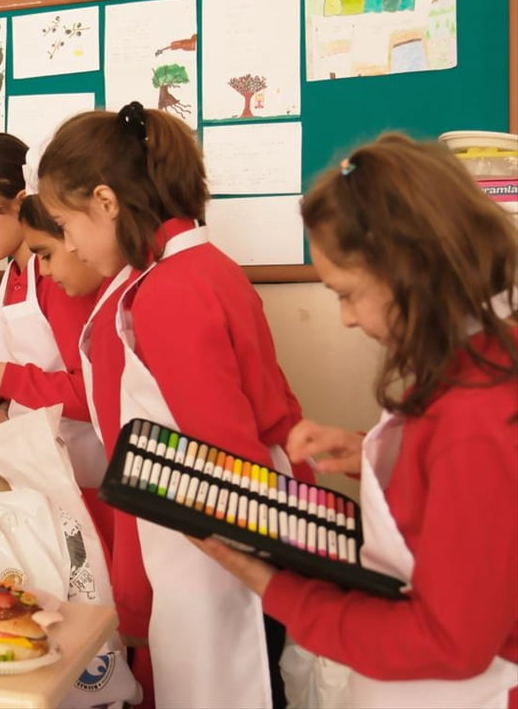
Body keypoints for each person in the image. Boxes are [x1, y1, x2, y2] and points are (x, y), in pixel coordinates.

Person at [199, 133, 518, 708]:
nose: (344, 318)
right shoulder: (477, 361)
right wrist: (369, 451)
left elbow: (451, 643)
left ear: (411, 272)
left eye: (347, 294)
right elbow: (455, 498)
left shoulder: (479, 418)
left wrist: (279, 590)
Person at [37, 102, 309, 708]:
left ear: (106, 203)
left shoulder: (169, 292)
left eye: (65, 223)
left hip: (221, 568)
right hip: (226, 555)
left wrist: (136, 595)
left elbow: (224, 456)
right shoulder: (199, 270)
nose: (71, 245)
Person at [0, 134, 107, 489]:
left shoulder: (61, 281)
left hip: (82, 470)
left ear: (21, 202)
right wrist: (1, 409)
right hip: (39, 466)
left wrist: (1, 376)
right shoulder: (14, 273)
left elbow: (93, 393)